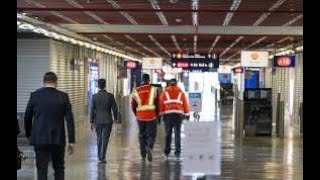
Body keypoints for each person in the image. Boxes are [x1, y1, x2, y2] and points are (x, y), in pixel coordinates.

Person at [24, 72, 75, 180]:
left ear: (43, 82)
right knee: (59, 168)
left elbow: (27, 117)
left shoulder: (35, 96)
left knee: (42, 169)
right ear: (56, 82)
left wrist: (28, 134)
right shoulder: (63, 97)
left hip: (40, 139)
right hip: (58, 139)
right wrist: (71, 141)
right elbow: (70, 119)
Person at [131, 74, 159, 162]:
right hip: (151, 116)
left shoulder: (136, 90)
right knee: (152, 134)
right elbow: (158, 104)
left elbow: (133, 105)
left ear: (142, 80)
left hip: (140, 116)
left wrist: (137, 114)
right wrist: (157, 116)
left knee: (141, 134)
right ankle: (149, 147)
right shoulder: (154, 89)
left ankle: (143, 153)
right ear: (149, 80)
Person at [159, 78, 190, 159]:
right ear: (176, 84)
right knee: (177, 134)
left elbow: (161, 104)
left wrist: (160, 114)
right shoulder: (181, 93)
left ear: (169, 84)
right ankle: (177, 153)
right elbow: (185, 104)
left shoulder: (165, 92)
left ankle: (167, 152)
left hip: (168, 115)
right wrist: (187, 114)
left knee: (168, 134)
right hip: (178, 115)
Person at [90, 78, 118, 163]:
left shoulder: (94, 96)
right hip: (108, 120)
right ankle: (103, 156)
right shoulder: (110, 96)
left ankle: (99, 155)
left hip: (97, 120)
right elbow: (115, 108)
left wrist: (91, 121)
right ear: (105, 85)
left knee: (99, 138)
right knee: (105, 138)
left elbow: (92, 110)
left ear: (98, 86)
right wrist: (116, 118)